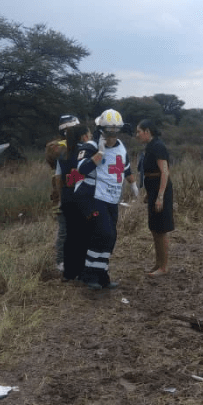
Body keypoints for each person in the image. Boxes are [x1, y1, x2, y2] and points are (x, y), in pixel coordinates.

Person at [76, 109, 135, 289]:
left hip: (112, 197)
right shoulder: (90, 147)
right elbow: (81, 170)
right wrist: (99, 153)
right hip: (93, 196)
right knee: (103, 233)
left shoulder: (121, 147)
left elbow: (125, 168)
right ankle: (88, 275)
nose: (112, 135)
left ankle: (102, 275)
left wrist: (133, 185)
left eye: (116, 131)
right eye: (109, 131)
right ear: (101, 129)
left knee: (111, 237)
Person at [136, 119, 174, 277]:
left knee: (161, 229)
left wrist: (160, 196)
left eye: (139, 131)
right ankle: (158, 263)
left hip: (161, 190)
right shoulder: (150, 146)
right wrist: (149, 193)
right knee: (154, 228)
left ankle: (164, 267)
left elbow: (164, 172)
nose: (137, 135)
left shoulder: (158, 146)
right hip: (152, 189)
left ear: (147, 131)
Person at [46, 114, 81, 275]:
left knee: (70, 229)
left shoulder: (63, 147)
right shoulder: (61, 148)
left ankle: (68, 260)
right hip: (65, 194)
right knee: (65, 230)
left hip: (68, 193)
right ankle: (61, 261)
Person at [56, 124, 91, 283]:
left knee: (69, 236)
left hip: (66, 197)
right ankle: (82, 271)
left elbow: (58, 178)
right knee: (83, 235)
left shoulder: (63, 153)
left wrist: (61, 196)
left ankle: (68, 273)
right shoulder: (83, 152)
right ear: (82, 136)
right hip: (80, 196)